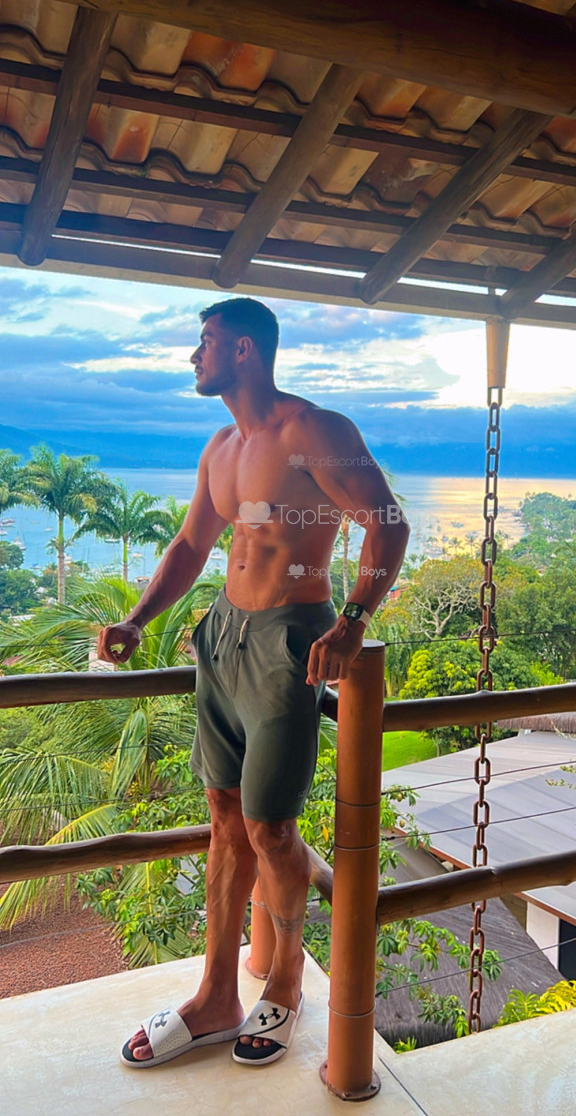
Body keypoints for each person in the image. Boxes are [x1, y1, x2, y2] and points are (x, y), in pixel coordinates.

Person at [98, 297, 409, 1069]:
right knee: (223, 817)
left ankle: (286, 978)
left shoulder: (314, 430)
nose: (192, 356)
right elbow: (191, 543)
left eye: (203, 342)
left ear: (243, 350)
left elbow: (386, 521)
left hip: (290, 637)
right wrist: (136, 619)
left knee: (270, 824)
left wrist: (353, 621)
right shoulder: (222, 446)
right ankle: (214, 995)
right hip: (224, 634)